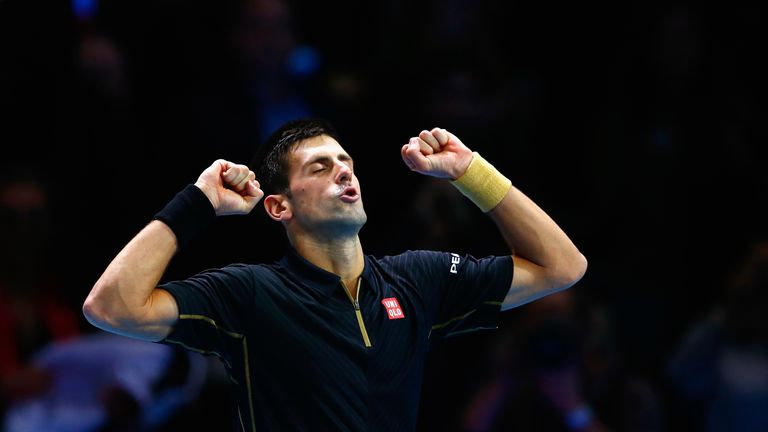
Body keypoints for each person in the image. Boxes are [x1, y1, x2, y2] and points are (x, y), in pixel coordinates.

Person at [82, 118, 587, 431]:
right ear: (279, 206)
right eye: (320, 168)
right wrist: (197, 203)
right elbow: (111, 307)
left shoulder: (419, 279)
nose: (345, 171)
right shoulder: (249, 293)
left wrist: (470, 172)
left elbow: (561, 266)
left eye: (346, 162)